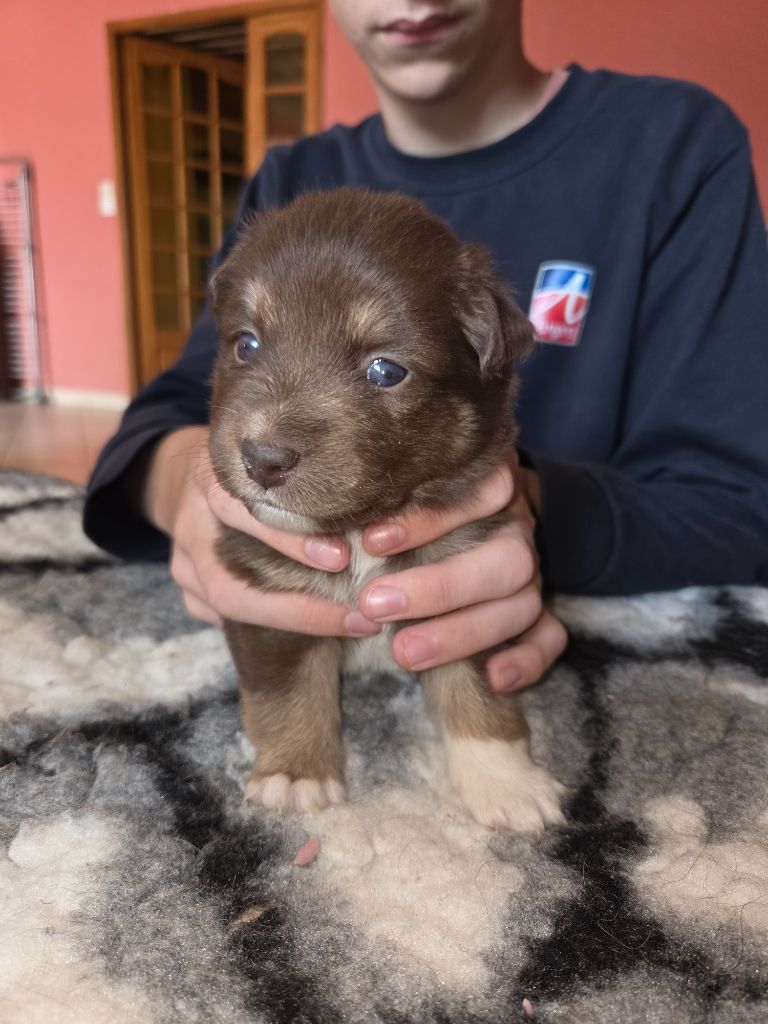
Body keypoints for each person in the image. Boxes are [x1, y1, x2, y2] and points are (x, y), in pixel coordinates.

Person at [84, 0, 768, 694]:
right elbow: (165, 414)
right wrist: (185, 492)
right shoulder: (289, 179)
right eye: (253, 342)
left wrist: (522, 510)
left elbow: (740, 503)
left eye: (384, 368)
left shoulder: (670, 146)